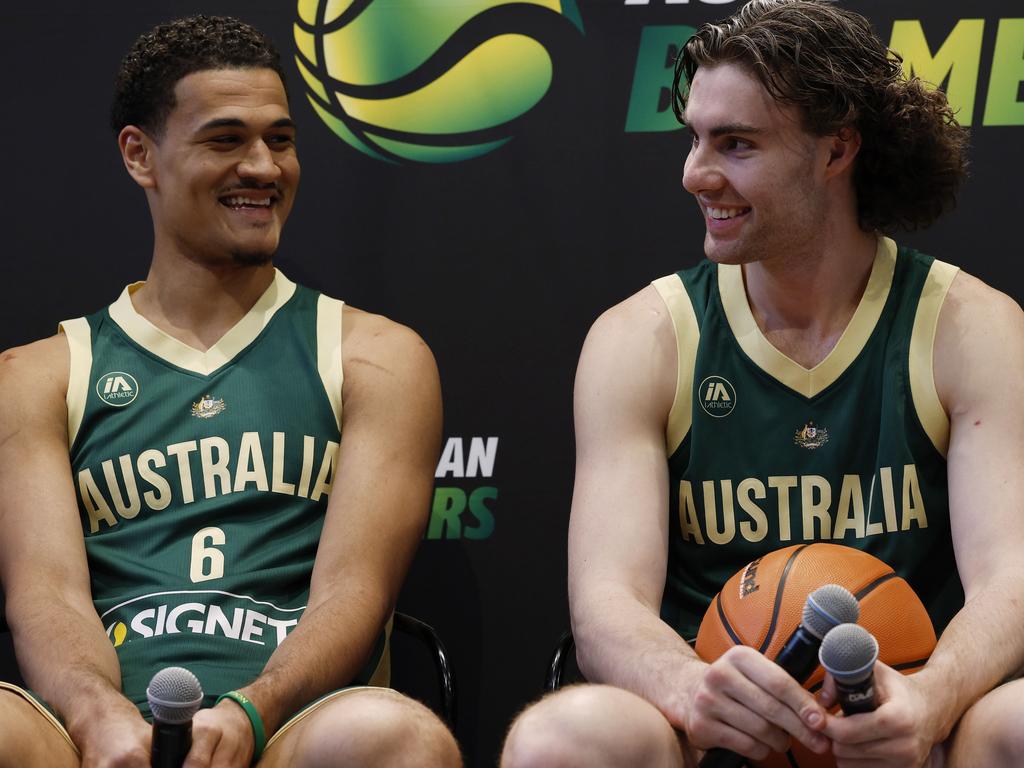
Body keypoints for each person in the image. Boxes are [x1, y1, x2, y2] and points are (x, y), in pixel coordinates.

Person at [501, 1, 1024, 766]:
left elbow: (1011, 576)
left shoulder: (968, 326)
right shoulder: (642, 337)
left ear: (836, 149)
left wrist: (934, 695)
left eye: (735, 144)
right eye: (693, 138)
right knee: (560, 738)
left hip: (910, 722)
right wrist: (689, 688)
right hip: (713, 730)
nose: (693, 174)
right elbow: (607, 605)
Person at [0, 15, 461, 768]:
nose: (263, 166)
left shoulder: (377, 355)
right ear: (139, 155)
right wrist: (99, 718)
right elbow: (44, 595)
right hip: (95, 737)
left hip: (288, 726)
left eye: (280, 140)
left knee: (400, 737)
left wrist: (253, 709)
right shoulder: (39, 374)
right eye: (225, 140)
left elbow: (355, 592)